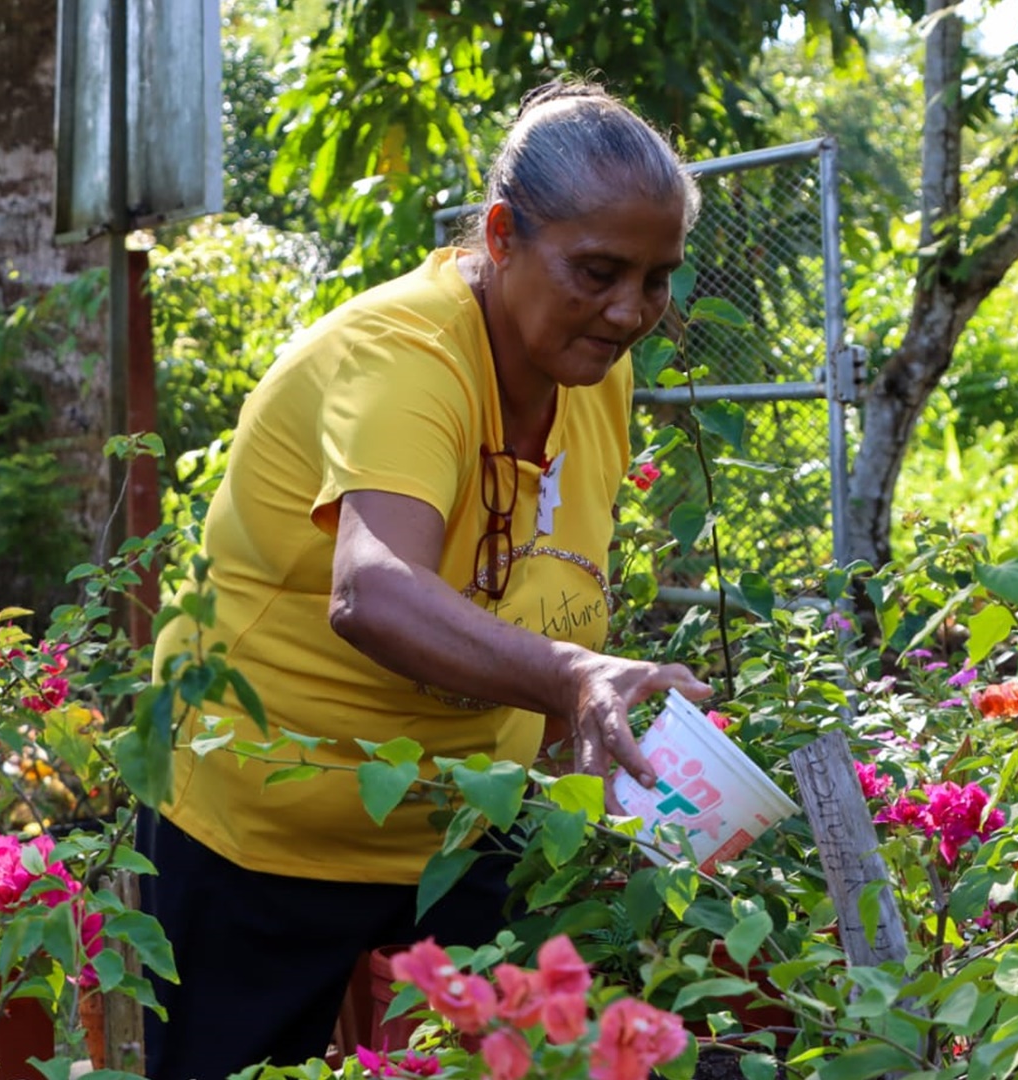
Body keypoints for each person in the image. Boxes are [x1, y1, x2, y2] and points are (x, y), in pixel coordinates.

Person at [141, 80, 712, 1079]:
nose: (630, 312)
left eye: (657, 278)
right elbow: (375, 591)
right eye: (598, 271)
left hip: (467, 823)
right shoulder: (402, 355)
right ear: (501, 235)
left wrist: (612, 750)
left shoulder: (593, 372)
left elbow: (550, 587)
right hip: (269, 829)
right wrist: (577, 675)